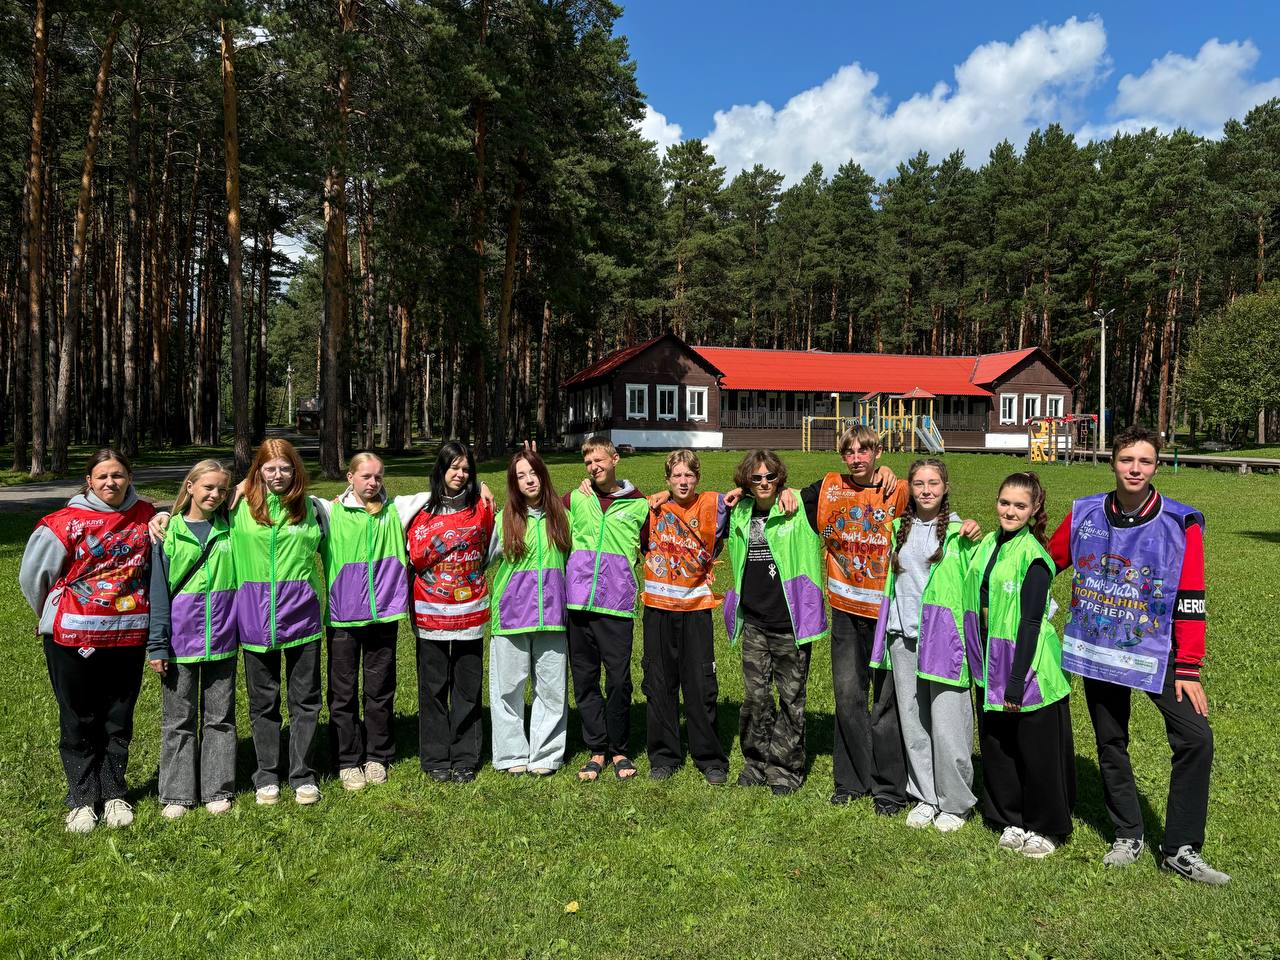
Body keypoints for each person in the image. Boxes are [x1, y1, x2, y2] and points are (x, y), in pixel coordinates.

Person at [1047, 425, 1229, 884]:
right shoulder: (1085, 512)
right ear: (1113, 462)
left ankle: (1181, 849)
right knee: (1111, 741)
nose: (1135, 469)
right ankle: (1128, 834)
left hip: (1158, 651)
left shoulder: (1181, 523)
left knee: (1195, 739)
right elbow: (1046, 559)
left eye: (1145, 461)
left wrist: (1188, 667)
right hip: (1100, 649)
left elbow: (1191, 596)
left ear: (1156, 466)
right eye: (1127, 459)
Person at [20, 449, 156, 833]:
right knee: (78, 717)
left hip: (127, 635)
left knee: (117, 717)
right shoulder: (63, 523)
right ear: (89, 481)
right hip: (72, 637)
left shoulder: (148, 516)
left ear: (129, 477)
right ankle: (82, 799)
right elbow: (33, 578)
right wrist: (53, 612)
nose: (111, 482)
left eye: (118, 475)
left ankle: (113, 793)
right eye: (102, 476)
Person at [795, 426, 908, 811]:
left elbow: (936, 512)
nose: (857, 458)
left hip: (887, 612)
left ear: (878, 452)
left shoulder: (898, 490)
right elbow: (779, 496)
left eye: (864, 451)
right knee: (848, 696)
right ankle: (851, 781)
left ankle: (889, 787)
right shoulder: (828, 488)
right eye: (850, 452)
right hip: (845, 609)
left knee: (887, 700)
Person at [965, 471, 1074, 859]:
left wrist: (1016, 680)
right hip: (989, 662)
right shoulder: (989, 543)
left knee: (1037, 751)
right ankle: (1009, 816)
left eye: (1019, 506)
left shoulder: (1035, 557)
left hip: (1027, 669)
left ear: (1034, 509)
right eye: (1004, 503)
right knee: (998, 744)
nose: (1010, 511)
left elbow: (1030, 623)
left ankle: (1047, 826)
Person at [869, 459, 980, 832]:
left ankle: (956, 802)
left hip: (944, 640)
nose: (926, 490)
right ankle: (925, 795)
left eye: (934, 483)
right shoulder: (897, 529)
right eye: (919, 483)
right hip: (903, 638)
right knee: (914, 722)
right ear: (910, 488)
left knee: (949, 724)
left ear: (946, 487)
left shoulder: (960, 534)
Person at [231, 439, 330, 806]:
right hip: (254, 620)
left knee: (306, 701)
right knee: (263, 702)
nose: (278, 475)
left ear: (295, 470)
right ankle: (267, 775)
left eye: (285, 468)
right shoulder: (237, 507)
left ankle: (303, 775)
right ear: (257, 470)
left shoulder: (313, 509)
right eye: (269, 468)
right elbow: (194, 510)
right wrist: (161, 517)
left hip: (302, 618)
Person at [724, 449, 828, 796]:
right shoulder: (740, 510)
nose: (764, 482)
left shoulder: (798, 506)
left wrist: (884, 471)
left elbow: (834, 484)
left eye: (770, 476)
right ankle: (755, 763)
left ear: (779, 478)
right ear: (747, 481)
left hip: (792, 622)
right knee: (755, 697)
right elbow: (697, 501)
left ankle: (785, 769)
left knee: (791, 699)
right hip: (754, 622)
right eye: (756, 478)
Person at [146, 460, 238, 819]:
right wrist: (158, 644)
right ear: (190, 487)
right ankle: (177, 793)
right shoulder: (167, 533)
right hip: (179, 642)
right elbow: (158, 593)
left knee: (220, 717)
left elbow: (256, 484)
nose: (215, 495)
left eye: (222, 489)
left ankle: (217, 788)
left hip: (223, 638)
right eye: (208, 487)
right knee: (178, 719)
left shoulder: (230, 528)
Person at [321, 452, 414, 792]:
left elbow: (439, 489)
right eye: (366, 476)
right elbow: (289, 497)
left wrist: (482, 485)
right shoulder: (329, 511)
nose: (373, 482)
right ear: (350, 478)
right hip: (343, 617)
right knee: (342, 692)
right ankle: (347, 759)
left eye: (378, 476)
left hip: (383, 615)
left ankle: (377, 755)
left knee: (380, 689)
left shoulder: (396, 510)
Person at [407, 441, 495, 784]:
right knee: (432, 688)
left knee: (467, 687)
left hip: (469, 612)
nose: (460, 474)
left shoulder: (482, 508)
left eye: (466, 469)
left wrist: (484, 486)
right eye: (453, 467)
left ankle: (465, 757)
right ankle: (435, 757)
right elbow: (374, 501)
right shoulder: (418, 508)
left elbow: (491, 549)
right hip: (429, 612)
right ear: (441, 469)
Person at [563, 436, 650, 782]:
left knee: (618, 680)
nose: (593, 467)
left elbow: (653, 546)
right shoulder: (575, 499)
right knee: (585, 680)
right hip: (578, 602)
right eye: (588, 463)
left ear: (615, 460)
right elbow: (535, 507)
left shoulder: (639, 504)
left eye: (599, 460)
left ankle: (619, 748)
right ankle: (597, 748)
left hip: (617, 605)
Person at [640, 450, 730, 784]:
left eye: (689, 475)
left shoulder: (712, 505)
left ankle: (709, 757)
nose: (683, 481)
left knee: (701, 683)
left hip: (696, 608)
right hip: (658, 608)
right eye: (676, 476)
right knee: (659, 682)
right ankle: (664, 756)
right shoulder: (650, 508)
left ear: (697, 478)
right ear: (667, 479)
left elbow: (747, 494)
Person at [486, 449, 570, 776]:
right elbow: (479, 559)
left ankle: (546, 755)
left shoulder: (563, 516)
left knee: (551, 689)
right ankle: (511, 754)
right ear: (514, 483)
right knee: (508, 689)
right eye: (521, 476)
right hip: (511, 616)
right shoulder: (503, 519)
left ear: (543, 475)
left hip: (552, 616)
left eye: (533, 473)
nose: (529, 480)